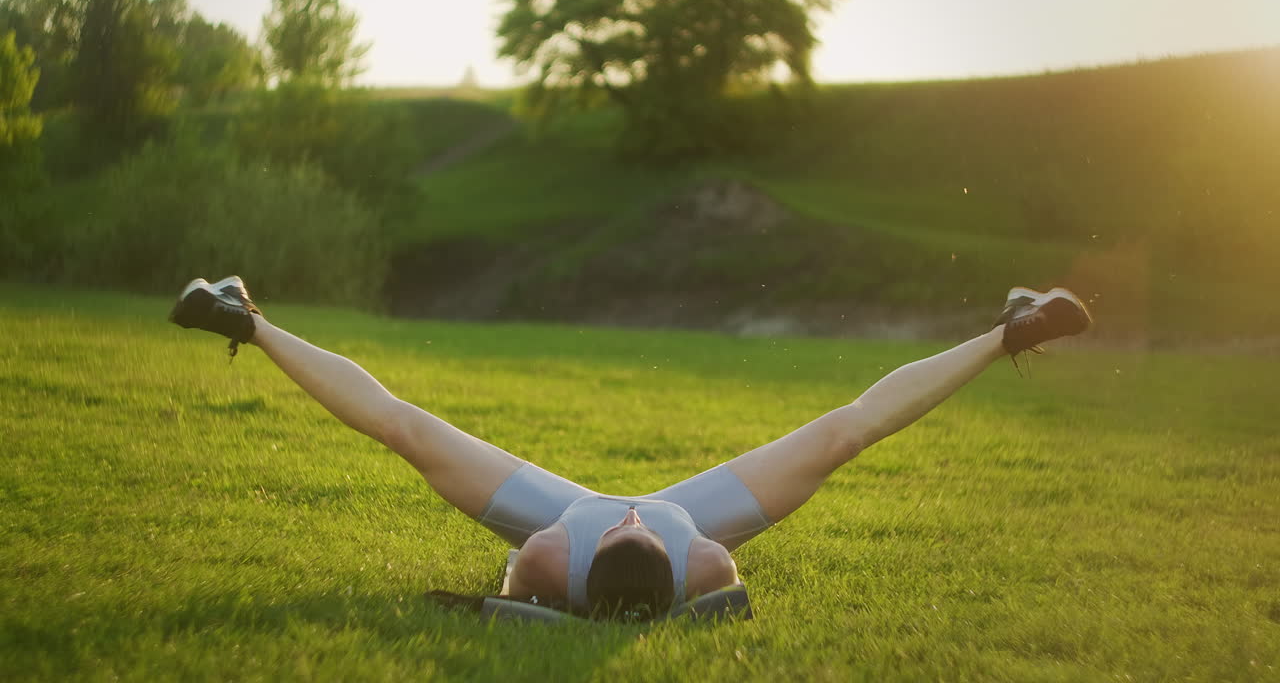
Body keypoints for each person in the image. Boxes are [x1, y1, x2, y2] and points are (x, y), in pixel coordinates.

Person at [169, 276, 1092, 620]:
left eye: (629, 526)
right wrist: (671, 578)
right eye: (639, 525)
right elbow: (729, 605)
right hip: (706, 510)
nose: (634, 511)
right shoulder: (703, 559)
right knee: (844, 433)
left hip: (554, 510)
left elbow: (512, 605)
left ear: (598, 548)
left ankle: (245, 317)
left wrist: (530, 608)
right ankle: (1009, 330)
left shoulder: (547, 555)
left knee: (404, 428)